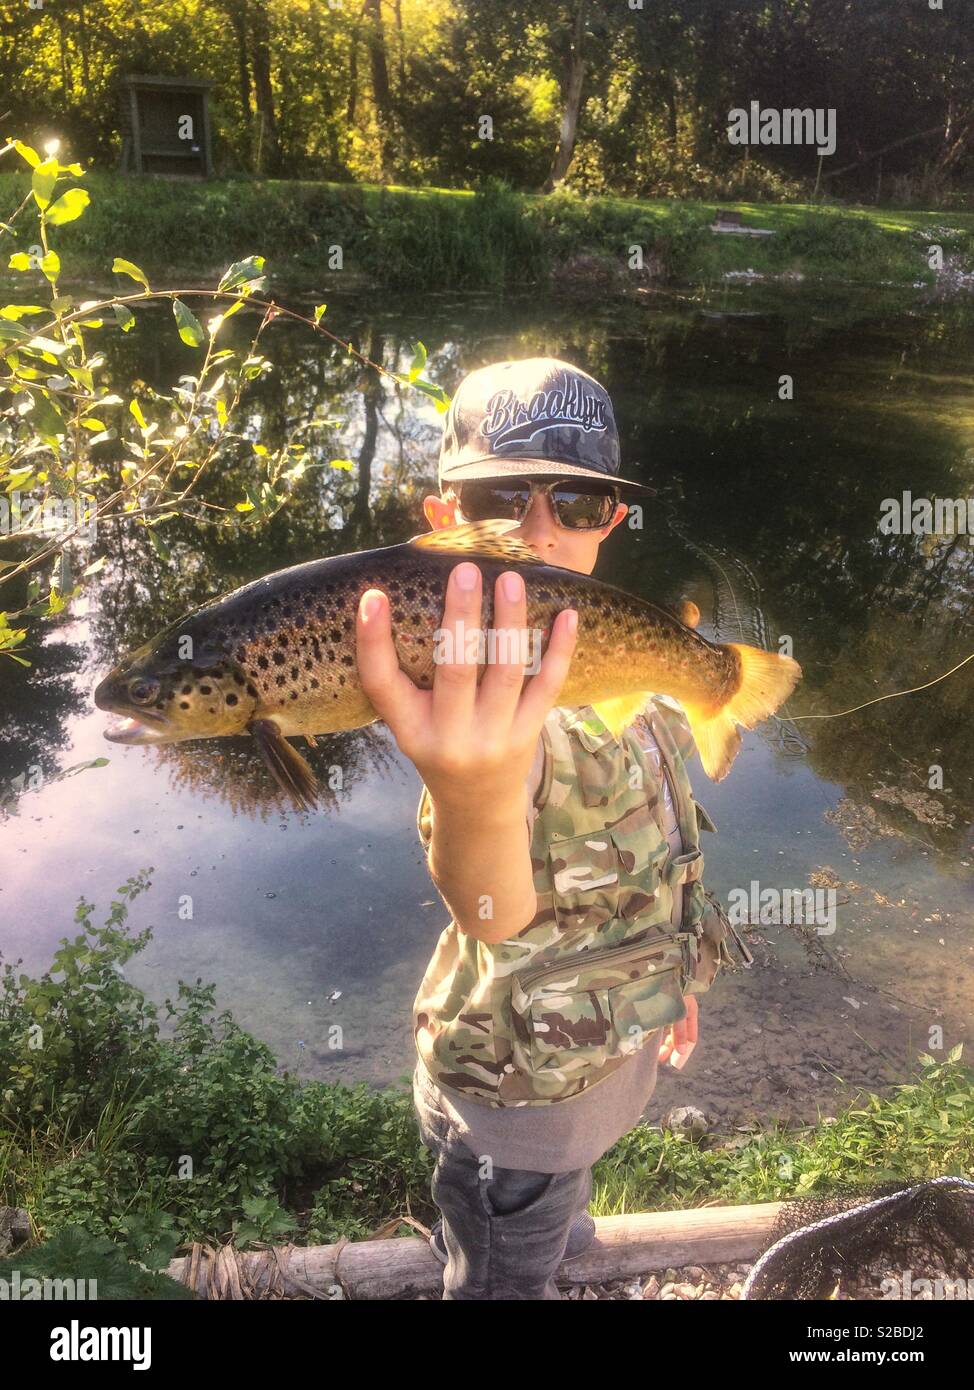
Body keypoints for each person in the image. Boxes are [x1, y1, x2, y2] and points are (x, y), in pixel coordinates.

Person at [355, 358, 749, 1300]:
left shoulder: (629, 674)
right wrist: (474, 788)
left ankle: (558, 1237)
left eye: (573, 501)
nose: (536, 530)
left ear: (612, 519)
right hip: (512, 1114)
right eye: (499, 496)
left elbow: (659, 855)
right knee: (503, 1273)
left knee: (558, 1218)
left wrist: (673, 972)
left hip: (604, 1065)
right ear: (441, 518)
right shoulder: (463, 706)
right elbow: (490, 905)